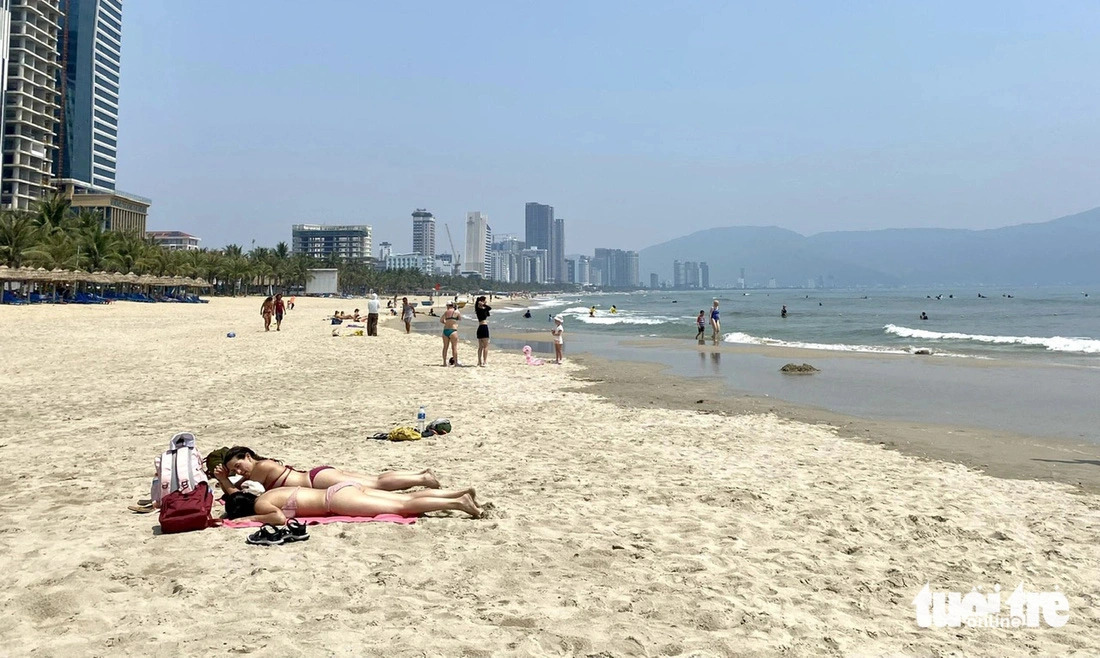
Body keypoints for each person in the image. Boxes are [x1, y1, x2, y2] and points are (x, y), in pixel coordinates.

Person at [222, 485, 482, 525]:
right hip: (340, 489)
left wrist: (248, 520)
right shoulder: (270, 492)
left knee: (404, 505)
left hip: (335, 501)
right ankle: (457, 493)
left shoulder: (262, 505)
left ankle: (460, 503)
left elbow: (277, 519)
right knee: (404, 499)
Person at [215, 447, 440, 492]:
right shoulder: (263, 466)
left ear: (247, 456)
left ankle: (423, 480)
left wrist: (225, 480)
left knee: (377, 484)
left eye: (238, 465)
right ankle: (420, 475)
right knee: (376, 479)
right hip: (318, 475)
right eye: (235, 470)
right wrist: (227, 479)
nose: (239, 471)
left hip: (316, 481)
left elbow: (239, 492)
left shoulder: (260, 468)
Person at [441, 302, 462, 367]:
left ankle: (444, 362)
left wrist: (446, 323)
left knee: (445, 347)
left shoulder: (446, 312)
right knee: (454, 347)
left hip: (445, 330)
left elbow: (441, 320)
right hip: (453, 330)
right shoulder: (456, 312)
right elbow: (460, 319)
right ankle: (455, 363)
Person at [475, 295, 491, 367]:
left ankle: (479, 361)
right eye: (484, 300)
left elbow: (488, 313)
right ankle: (484, 362)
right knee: (485, 346)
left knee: (480, 346)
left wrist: (483, 305)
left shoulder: (478, 309)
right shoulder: (480, 309)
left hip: (480, 327)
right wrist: (484, 304)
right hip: (484, 327)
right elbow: (489, 308)